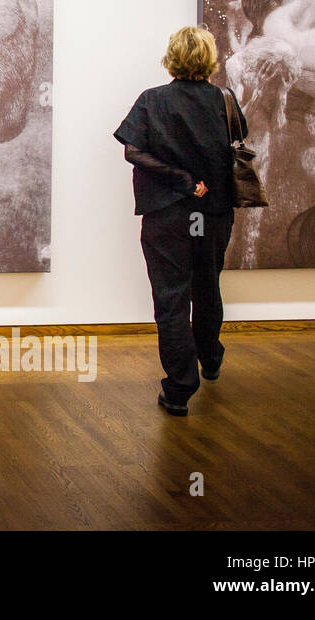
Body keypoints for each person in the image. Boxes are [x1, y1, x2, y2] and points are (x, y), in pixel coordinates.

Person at [113, 26, 249, 417]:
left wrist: (183, 182)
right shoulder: (225, 100)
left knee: (172, 297)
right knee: (208, 286)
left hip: (167, 214)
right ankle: (211, 358)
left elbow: (133, 152)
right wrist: (196, 182)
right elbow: (240, 141)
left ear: (170, 57)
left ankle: (179, 390)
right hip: (215, 213)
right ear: (211, 59)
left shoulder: (152, 101)